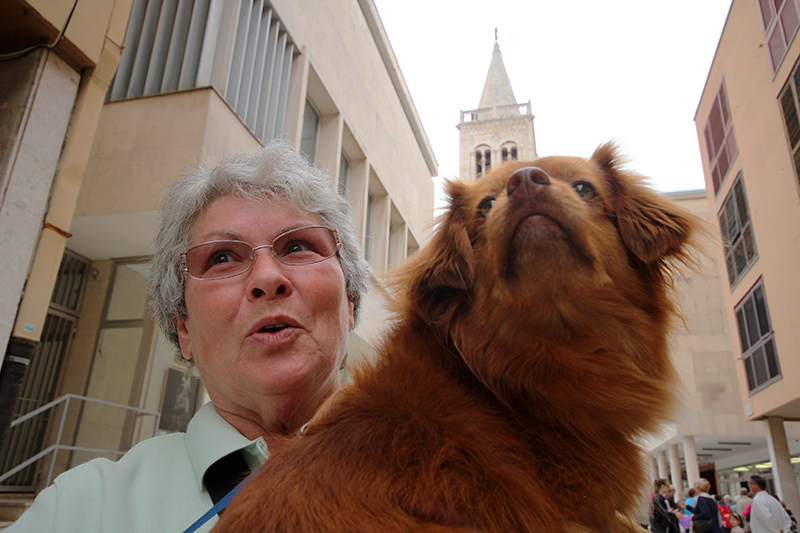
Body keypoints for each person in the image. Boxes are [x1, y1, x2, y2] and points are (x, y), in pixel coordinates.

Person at [8, 141, 370, 532]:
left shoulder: (423, 464)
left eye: (297, 246)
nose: (267, 278)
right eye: (222, 257)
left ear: (349, 302)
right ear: (184, 328)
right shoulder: (82, 509)